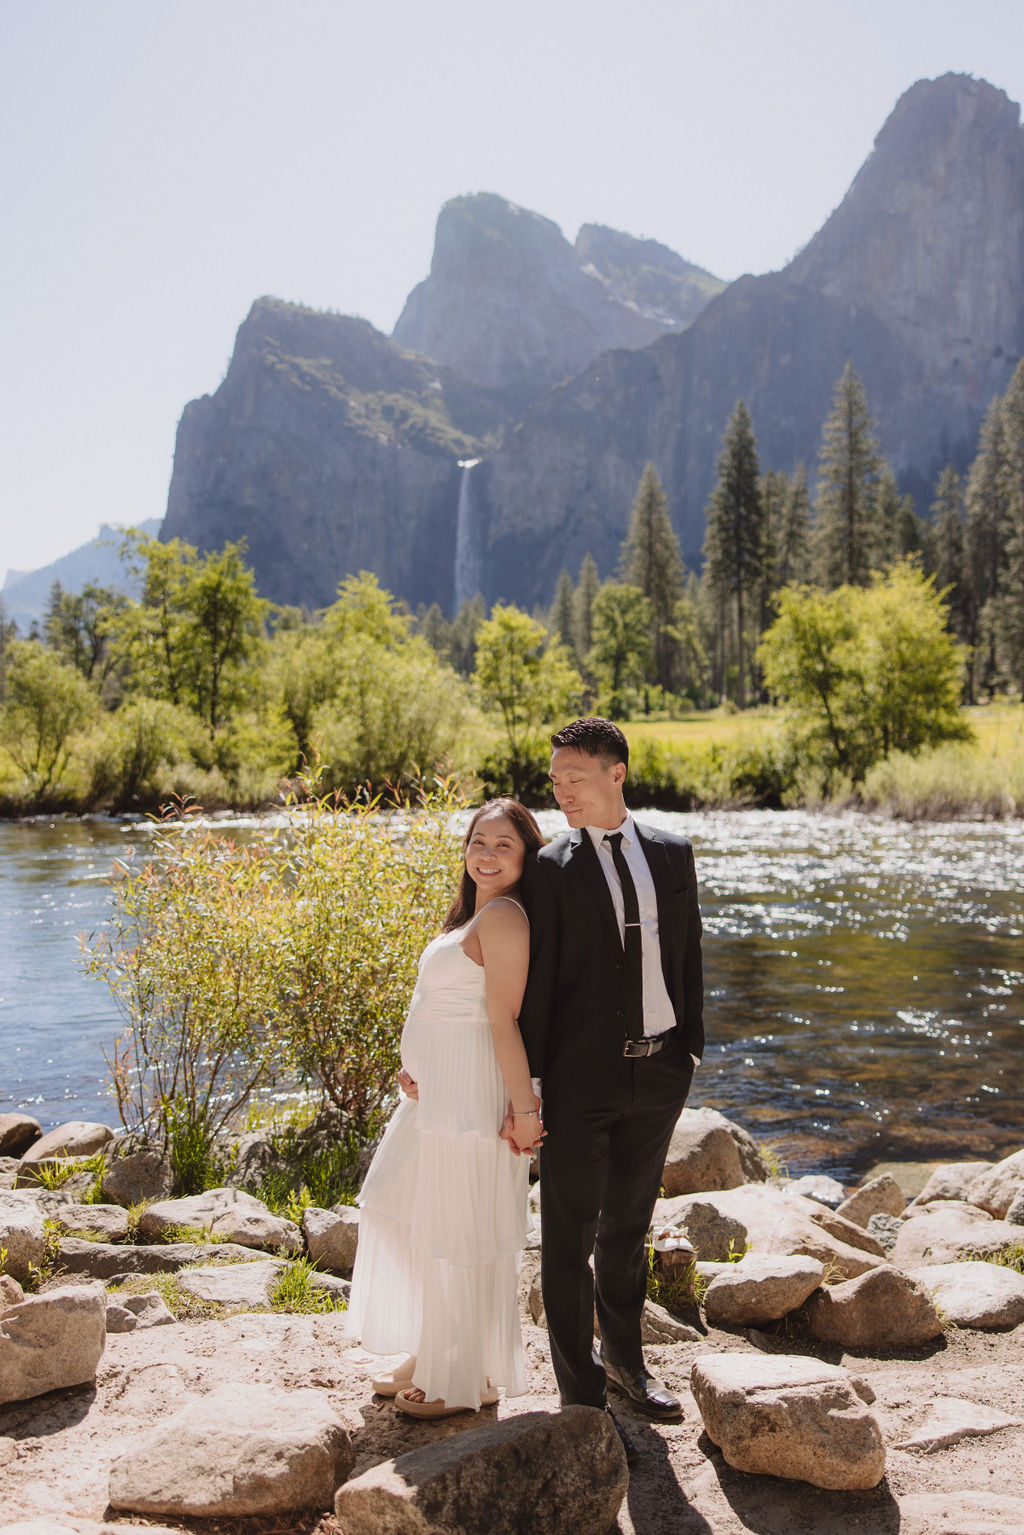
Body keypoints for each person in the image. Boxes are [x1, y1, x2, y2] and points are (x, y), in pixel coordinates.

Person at [519, 717, 704, 1428]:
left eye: (575, 777)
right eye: (555, 780)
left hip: (660, 1073)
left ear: (615, 773)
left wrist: (691, 1048)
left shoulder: (672, 851)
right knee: (569, 1237)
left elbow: (688, 955)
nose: (562, 791)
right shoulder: (550, 867)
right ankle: (582, 1397)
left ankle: (627, 1364)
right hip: (580, 1081)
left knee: (629, 1226)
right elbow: (538, 987)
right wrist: (532, 1084)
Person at [345, 798, 545, 1420]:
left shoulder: (508, 918)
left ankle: (462, 1377)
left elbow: (502, 1020)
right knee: (406, 1212)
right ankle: (436, 1348)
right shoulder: (472, 916)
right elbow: (439, 1008)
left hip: (470, 1098)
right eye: (478, 842)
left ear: (525, 857)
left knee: (457, 1229)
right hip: (435, 1096)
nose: (487, 855)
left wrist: (524, 1108)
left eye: (503, 845)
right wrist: (416, 1069)